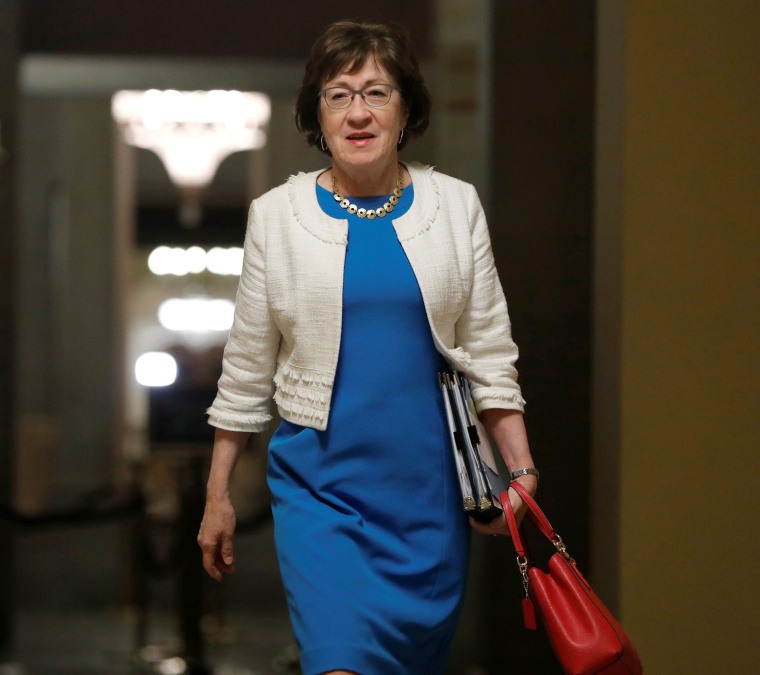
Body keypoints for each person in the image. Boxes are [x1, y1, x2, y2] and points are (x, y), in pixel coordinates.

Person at [198, 19, 538, 675]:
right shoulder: (278, 214)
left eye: (377, 93)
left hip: (427, 496)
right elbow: (244, 369)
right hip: (321, 490)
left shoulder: (455, 205)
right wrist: (218, 494)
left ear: (405, 109)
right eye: (338, 94)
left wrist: (520, 471)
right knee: (339, 660)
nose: (358, 111)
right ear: (316, 115)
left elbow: (491, 352)